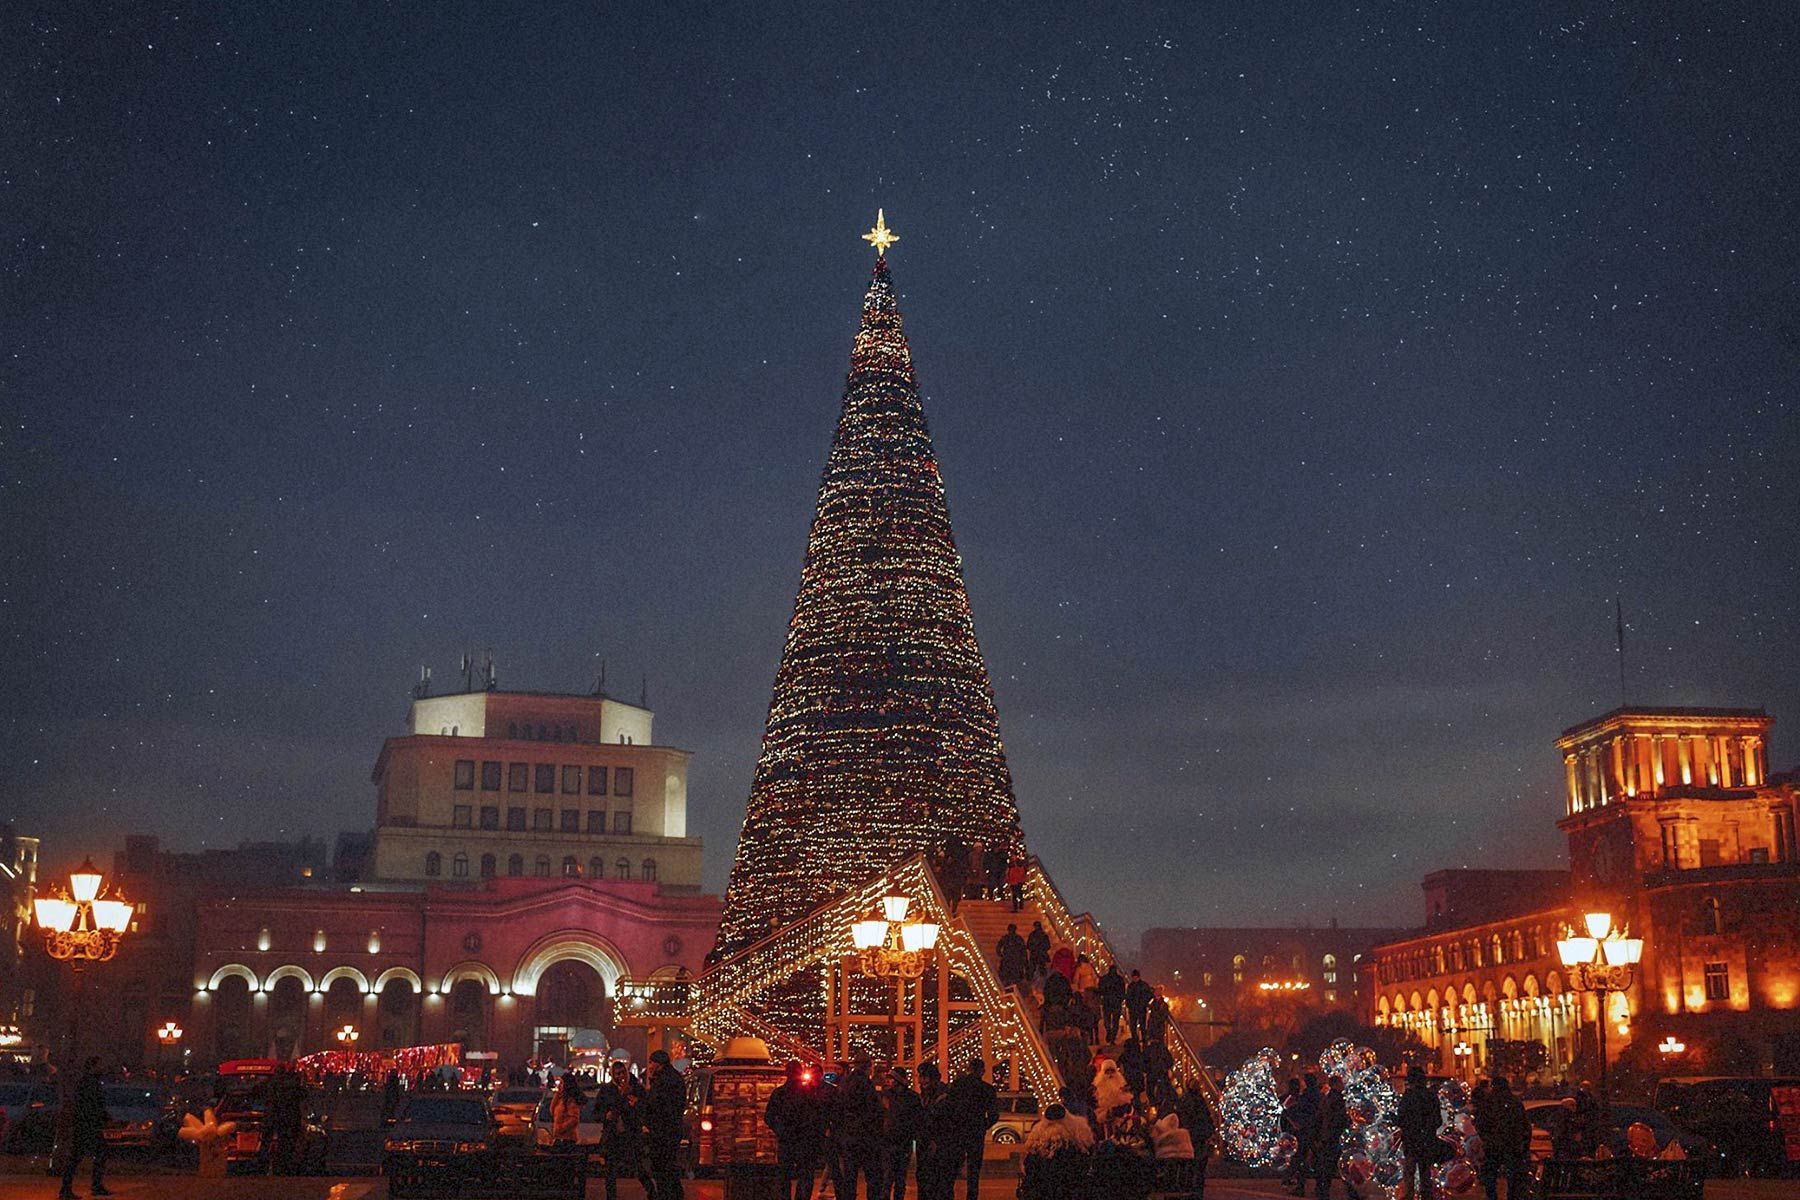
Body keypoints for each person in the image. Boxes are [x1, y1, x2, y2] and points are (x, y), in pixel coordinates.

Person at [594, 1059, 656, 1200]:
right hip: (612, 1135)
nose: (621, 1076)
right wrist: (605, 1115)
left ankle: (651, 1191)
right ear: (612, 1075)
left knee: (638, 1166)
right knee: (610, 1171)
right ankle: (611, 1196)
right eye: (617, 1074)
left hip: (631, 1134)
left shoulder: (636, 1088)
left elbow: (645, 1109)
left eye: (623, 1073)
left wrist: (635, 1104)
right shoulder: (606, 1090)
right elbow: (596, 1112)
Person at [767, 1061, 828, 1200]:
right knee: (805, 1176)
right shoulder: (809, 1093)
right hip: (805, 1140)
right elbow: (818, 1116)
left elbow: (769, 1117)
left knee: (785, 1176)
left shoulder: (779, 1093)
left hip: (787, 1140)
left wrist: (780, 1130)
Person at [945, 1058, 999, 1200]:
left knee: (953, 1166)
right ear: (982, 1071)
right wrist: (983, 1125)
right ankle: (971, 1196)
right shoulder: (987, 1089)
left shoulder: (957, 1085)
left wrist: (953, 1124)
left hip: (958, 1130)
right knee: (974, 1169)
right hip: (976, 1132)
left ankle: (949, 1195)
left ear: (969, 1069)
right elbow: (994, 1115)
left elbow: (948, 1108)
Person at [832, 1056, 884, 1200]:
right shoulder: (866, 1084)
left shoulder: (845, 1083)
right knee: (873, 1176)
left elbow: (838, 1108)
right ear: (867, 1067)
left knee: (850, 1175)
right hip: (865, 1136)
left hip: (848, 1135)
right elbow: (874, 1110)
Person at [1019, 1102, 1093, 1200]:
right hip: (1068, 1192)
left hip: (1042, 1192)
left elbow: (1030, 1169)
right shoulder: (1075, 1142)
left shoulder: (1037, 1143)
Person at [58, 1057, 110, 1200]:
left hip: (87, 1124)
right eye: (100, 1065)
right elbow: (90, 1104)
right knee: (78, 1156)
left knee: (93, 1154)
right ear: (93, 1067)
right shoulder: (89, 1083)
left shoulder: (89, 1082)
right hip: (86, 1125)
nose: (103, 1068)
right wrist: (100, 1116)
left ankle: (93, 1185)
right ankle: (68, 1189)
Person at [1474, 1075, 1531, 1200]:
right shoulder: (1514, 1101)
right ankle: (1511, 1196)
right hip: (1512, 1144)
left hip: (1493, 1145)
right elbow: (1524, 1125)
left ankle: (1493, 1197)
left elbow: (1480, 1123)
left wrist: (1486, 1139)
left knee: (1490, 1176)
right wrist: (1524, 1144)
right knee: (1513, 1177)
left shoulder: (1488, 1102)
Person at [643, 1049, 685, 1200]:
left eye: (651, 1062)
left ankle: (667, 1196)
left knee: (663, 1169)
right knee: (669, 1168)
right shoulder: (674, 1078)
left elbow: (658, 1105)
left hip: (662, 1133)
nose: (650, 1066)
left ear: (659, 1064)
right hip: (671, 1131)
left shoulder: (664, 1081)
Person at [1397, 1067, 1442, 1200]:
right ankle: (1426, 1196)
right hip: (1427, 1141)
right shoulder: (1431, 1096)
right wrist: (1427, 1129)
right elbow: (1437, 1120)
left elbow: (1401, 1119)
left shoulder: (1408, 1096)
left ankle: (1410, 1196)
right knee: (1425, 1174)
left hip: (1411, 1141)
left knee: (1409, 1175)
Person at [879, 1066, 922, 1200]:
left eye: (892, 1079)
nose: (889, 1082)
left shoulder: (910, 1098)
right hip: (890, 1142)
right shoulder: (887, 1096)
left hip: (902, 1142)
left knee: (899, 1178)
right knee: (888, 1178)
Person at [265, 1061, 308, 1174]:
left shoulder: (271, 1084)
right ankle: (286, 1166)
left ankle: (268, 1164)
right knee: (289, 1143)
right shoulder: (292, 1085)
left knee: (271, 1143)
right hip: (291, 1118)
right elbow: (304, 1096)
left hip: (275, 1117)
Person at [1283, 1073, 1321, 1196]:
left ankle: (1301, 1186)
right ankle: (1319, 1187)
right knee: (1316, 1159)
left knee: (1301, 1158)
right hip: (1314, 1130)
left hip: (1305, 1131)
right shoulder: (1317, 1095)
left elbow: (1297, 1110)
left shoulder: (1306, 1096)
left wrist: (1292, 1117)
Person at [1315, 1074, 1348, 1199]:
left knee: (1329, 1164)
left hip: (1328, 1135)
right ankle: (1325, 1191)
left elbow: (1321, 1116)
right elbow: (1338, 1118)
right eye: (1340, 1083)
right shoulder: (1337, 1099)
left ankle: (1322, 1189)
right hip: (1334, 1135)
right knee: (1338, 1164)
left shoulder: (1327, 1098)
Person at [550, 1073, 584, 1146]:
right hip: (559, 1138)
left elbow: (574, 1119)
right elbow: (552, 1111)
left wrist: (561, 1128)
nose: (559, 1085)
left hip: (567, 1140)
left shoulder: (570, 1101)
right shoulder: (561, 1099)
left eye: (561, 1083)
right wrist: (557, 1094)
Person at [1123, 970, 1154, 1046]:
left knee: (1141, 1026)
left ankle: (1142, 1040)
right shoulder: (1139, 985)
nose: (1134, 978)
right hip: (1136, 1009)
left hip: (1139, 1009)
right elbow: (1128, 997)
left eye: (1135, 977)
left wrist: (1144, 1003)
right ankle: (1137, 1040)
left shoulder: (1139, 986)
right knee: (1134, 1026)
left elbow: (1149, 995)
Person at [1097, 963, 1126, 1044]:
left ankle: (1109, 1032)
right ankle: (1112, 1037)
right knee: (1115, 1021)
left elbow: (1100, 990)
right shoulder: (1120, 979)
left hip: (1107, 1002)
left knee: (1107, 1021)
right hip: (1116, 1003)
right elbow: (1123, 991)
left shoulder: (1104, 979)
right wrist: (1120, 999)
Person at [996, 924, 1029, 989]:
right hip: (1011, 960)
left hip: (1012, 960)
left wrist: (1000, 954)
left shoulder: (1008, 938)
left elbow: (1023, 950)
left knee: (1011, 976)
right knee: (1011, 976)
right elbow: (1023, 950)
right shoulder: (1016, 938)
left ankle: (1010, 987)